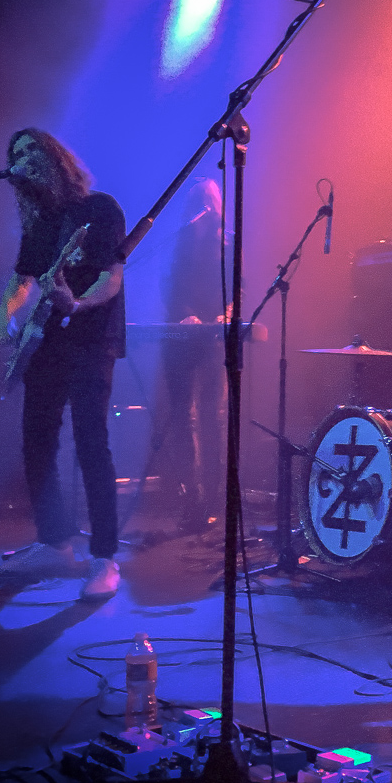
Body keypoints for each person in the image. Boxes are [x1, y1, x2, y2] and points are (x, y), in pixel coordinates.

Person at [0, 128, 128, 601]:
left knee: (92, 443)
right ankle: (55, 542)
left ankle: (105, 557)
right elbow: (22, 282)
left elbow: (111, 279)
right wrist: (6, 316)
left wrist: (77, 304)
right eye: (15, 154)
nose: (21, 159)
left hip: (92, 341)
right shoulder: (39, 223)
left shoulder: (99, 210)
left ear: (55, 158)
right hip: (46, 342)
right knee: (37, 441)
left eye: (30, 150)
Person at [160, 177, 228, 533]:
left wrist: (226, 313)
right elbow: (169, 284)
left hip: (213, 339)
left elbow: (239, 288)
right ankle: (190, 497)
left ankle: (212, 499)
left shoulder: (227, 245)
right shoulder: (178, 243)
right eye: (197, 199)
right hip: (182, 336)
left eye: (208, 199)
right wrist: (184, 313)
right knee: (182, 418)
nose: (204, 205)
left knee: (211, 416)